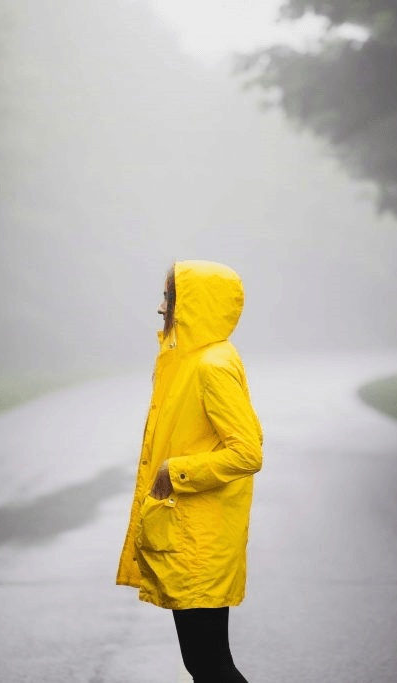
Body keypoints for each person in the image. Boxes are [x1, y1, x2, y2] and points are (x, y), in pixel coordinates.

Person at [116, 260, 263, 683]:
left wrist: (175, 472)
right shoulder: (187, 361)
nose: (161, 309)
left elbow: (247, 452)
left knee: (210, 665)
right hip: (190, 535)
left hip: (202, 541)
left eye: (169, 297)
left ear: (193, 304)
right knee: (204, 664)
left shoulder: (210, 367)